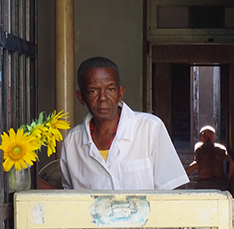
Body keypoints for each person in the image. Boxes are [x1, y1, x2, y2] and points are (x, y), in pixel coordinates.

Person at [60, 57, 190, 190]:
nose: (103, 98)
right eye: (93, 91)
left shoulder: (149, 128)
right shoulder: (72, 142)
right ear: (81, 97)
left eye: (110, 89)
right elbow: (69, 200)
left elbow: (174, 188)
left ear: (120, 93)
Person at [185, 126, 234, 190]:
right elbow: (232, 162)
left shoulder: (200, 150)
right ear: (213, 137)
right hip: (219, 184)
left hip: (204, 183)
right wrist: (227, 179)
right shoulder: (220, 149)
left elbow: (192, 167)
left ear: (202, 135)